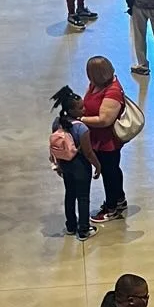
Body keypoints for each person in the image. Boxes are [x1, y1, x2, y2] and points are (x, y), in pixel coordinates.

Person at [81, 56, 127, 224]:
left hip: (108, 142)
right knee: (112, 171)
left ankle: (111, 208)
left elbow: (104, 120)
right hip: (96, 138)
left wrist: (80, 119)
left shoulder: (112, 91)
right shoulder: (95, 85)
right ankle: (120, 199)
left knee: (109, 174)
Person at [50, 85, 100, 240]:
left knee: (70, 194)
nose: (84, 110)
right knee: (83, 197)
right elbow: (88, 152)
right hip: (80, 166)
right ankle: (84, 229)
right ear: (71, 110)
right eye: (80, 108)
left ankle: (71, 226)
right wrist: (97, 165)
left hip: (65, 164)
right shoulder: (82, 128)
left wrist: (58, 164)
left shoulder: (57, 123)